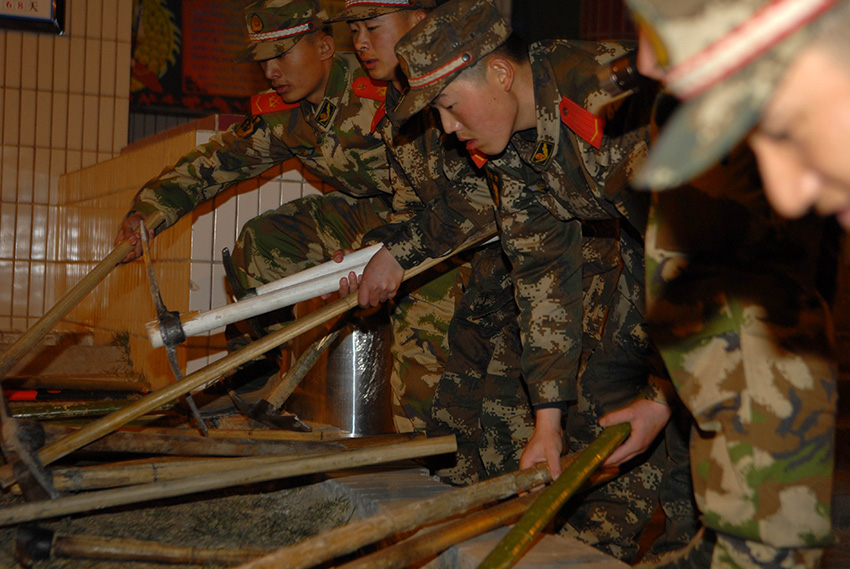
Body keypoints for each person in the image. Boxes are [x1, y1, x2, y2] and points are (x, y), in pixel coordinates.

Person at [392, 0, 699, 561]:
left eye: (449, 106)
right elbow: (543, 278)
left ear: (501, 75)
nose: (447, 128)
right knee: (604, 400)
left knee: (700, 435)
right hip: (650, 252)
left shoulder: (614, 103)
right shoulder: (511, 146)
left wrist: (662, 394)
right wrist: (548, 421)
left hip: (721, 261)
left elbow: (698, 249)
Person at [114, 0, 456, 434]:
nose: (271, 71)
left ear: (326, 46)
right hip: (369, 214)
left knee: (425, 317)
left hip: (433, 221)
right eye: (263, 61)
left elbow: (446, 192)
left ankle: (427, 437)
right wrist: (148, 212)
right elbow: (215, 164)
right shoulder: (284, 114)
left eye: (282, 55)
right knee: (262, 243)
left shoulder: (381, 91)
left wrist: (380, 252)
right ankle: (254, 374)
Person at [617, 1, 843, 567]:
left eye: (790, 126)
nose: (791, 195)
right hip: (720, 404)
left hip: (764, 397)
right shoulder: (682, 100)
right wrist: (661, 396)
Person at [329, 0, 535, 485]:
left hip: (514, 269)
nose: (360, 43)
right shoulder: (396, 105)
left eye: (372, 27)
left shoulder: (480, 88)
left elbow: (486, 196)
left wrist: (397, 255)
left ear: (420, 22)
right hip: (471, 270)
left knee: (503, 426)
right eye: (353, 30)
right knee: (448, 428)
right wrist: (370, 255)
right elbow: (409, 208)